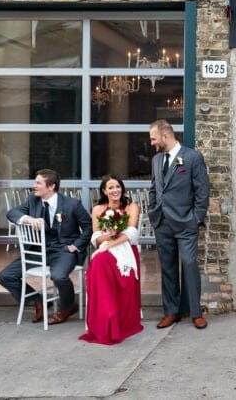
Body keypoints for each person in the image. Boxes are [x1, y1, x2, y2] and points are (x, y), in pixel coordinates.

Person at [0, 169, 93, 325]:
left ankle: (68, 307)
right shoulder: (32, 201)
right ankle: (38, 300)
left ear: (51, 187)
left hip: (64, 250)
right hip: (37, 252)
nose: (34, 186)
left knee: (59, 276)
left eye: (38, 183)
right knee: (5, 276)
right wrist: (28, 218)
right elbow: (11, 213)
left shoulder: (72, 204)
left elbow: (89, 228)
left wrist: (75, 246)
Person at [147, 119, 211, 330]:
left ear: (165, 136)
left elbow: (202, 190)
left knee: (190, 264)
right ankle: (171, 312)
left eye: (154, 138)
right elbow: (155, 188)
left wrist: (196, 218)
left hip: (186, 222)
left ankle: (195, 313)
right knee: (167, 268)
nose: (152, 143)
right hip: (162, 223)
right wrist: (153, 209)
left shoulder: (192, 157)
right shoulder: (156, 159)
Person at [80, 175, 144, 345]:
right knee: (99, 262)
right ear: (104, 191)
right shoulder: (98, 209)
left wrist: (111, 243)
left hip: (125, 248)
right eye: (111, 187)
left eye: (118, 186)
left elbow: (131, 233)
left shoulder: (131, 207)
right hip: (106, 247)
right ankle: (106, 314)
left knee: (101, 260)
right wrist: (108, 236)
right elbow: (95, 237)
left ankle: (115, 316)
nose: (115, 190)